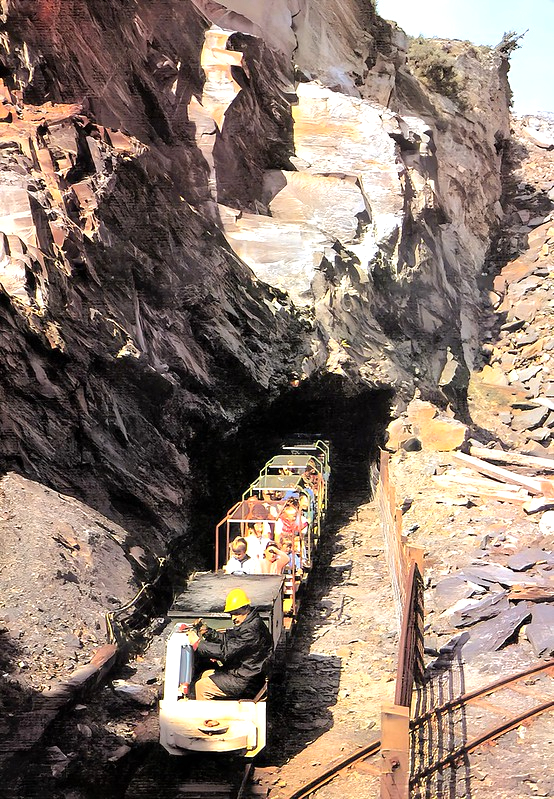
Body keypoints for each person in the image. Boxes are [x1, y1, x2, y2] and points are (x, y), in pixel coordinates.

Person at [187, 588, 273, 700]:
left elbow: (226, 652)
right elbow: (229, 638)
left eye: (236, 613)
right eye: (231, 614)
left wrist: (198, 644)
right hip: (246, 673)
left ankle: (208, 717)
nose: (234, 618)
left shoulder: (251, 630)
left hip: (247, 680)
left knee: (202, 686)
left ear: (246, 608)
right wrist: (208, 632)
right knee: (205, 675)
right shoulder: (249, 622)